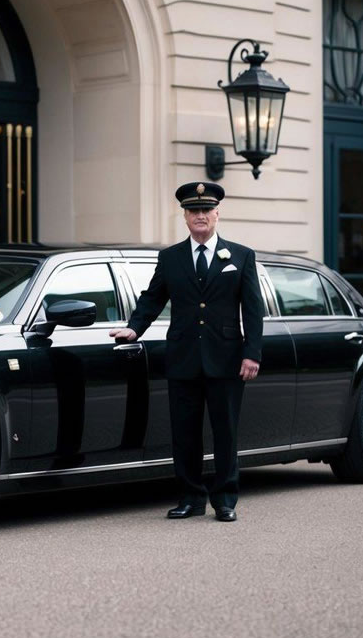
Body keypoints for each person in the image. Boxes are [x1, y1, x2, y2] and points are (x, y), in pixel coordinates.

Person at [109, 181, 263, 522]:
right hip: (183, 359)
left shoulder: (241, 256)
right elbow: (152, 298)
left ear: (217, 214)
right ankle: (191, 498)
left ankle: (225, 500)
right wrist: (135, 328)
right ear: (185, 216)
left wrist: (252, 353)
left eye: (206, 210)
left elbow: (253, 309)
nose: (201, 216)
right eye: (194, 211)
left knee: (225, 433)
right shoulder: (170, 258)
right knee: (185, 434)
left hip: (226, 359)